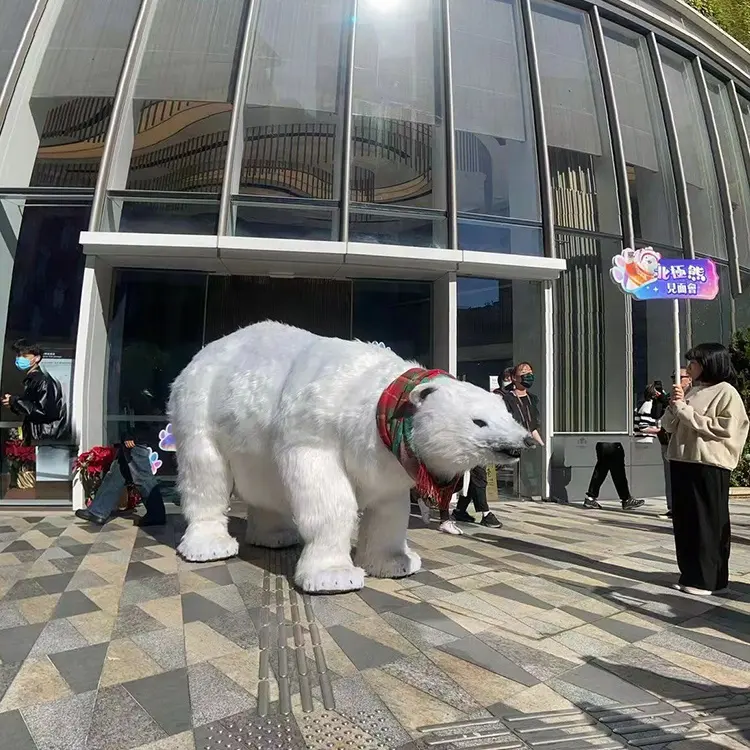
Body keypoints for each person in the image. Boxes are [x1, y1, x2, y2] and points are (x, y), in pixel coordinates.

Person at [661, 343, 748, 596]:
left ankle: (710, 579)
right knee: (685, 522)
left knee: (707, 523)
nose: (689, 368)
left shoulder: (726, 392)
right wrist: (674, 404)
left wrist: (685, 411)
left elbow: (725, 429)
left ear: (709, 363)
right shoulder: (691, 391)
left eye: (694, 363)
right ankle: (691, 573)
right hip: (682, 461)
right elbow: (668, 425)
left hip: (708, 464)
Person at [75, 390, 166, 527]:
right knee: (116, 475)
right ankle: (98, 511)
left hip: (135, 442)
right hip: (130, 441)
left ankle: (156, 514)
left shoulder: (142, 398)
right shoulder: (139, 395)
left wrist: (134, 437)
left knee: (143, 478)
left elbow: (148, 422)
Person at [1, 339, 67, 444]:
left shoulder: (42, 380)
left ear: (37, 358)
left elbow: (44, 411)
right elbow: (31, 406)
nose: (19, 359)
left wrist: (15, 401)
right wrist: (13, 404)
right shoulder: (32, 379)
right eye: (18, 356)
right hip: (37, 438)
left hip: (44, 440)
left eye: (25, 356)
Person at [501, 362, 544, 498]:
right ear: (514, 377)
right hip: (513, 441)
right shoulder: (506, 398)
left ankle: (531, 492)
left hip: (530, 440)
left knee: (531, 469)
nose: (528, 376)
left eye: (530, 373)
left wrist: (541, 444)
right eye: (524, 373)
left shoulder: (533, 399)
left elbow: (533, 424)